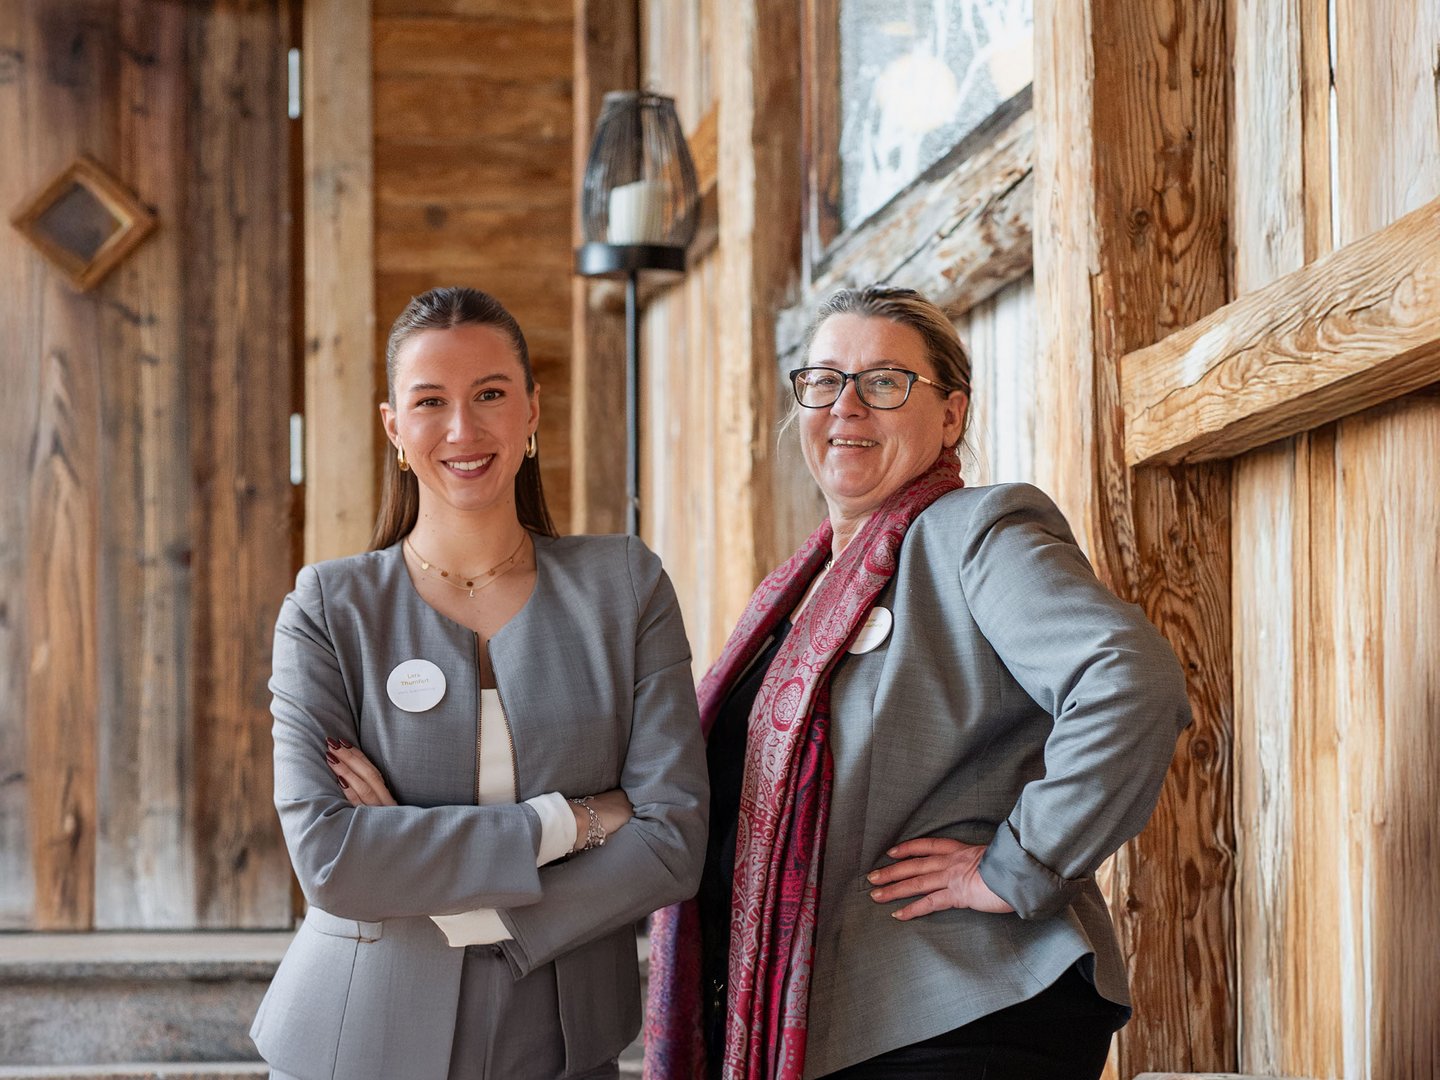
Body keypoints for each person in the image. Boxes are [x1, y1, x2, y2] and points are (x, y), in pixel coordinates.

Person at [644, 285, 1191, 1080]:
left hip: (961, 1008)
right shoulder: (797, 598)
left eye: (885, 383)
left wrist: (1014, 867)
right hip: (843, 1025)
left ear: (952, 415)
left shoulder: (976, 534)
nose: (847, 407)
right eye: (825, 381)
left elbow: (1127, 679)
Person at [250, 286, 708, 1080]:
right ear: (395, 426)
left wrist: (418, 857)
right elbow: (329, 859)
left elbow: (672, 841)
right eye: (430, 401)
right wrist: (571, 823)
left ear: (532, 410)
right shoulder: (328, 607)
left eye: (490, 394)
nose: (463, 428)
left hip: (565, 1044)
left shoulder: (625, 586)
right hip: (356, 1040)